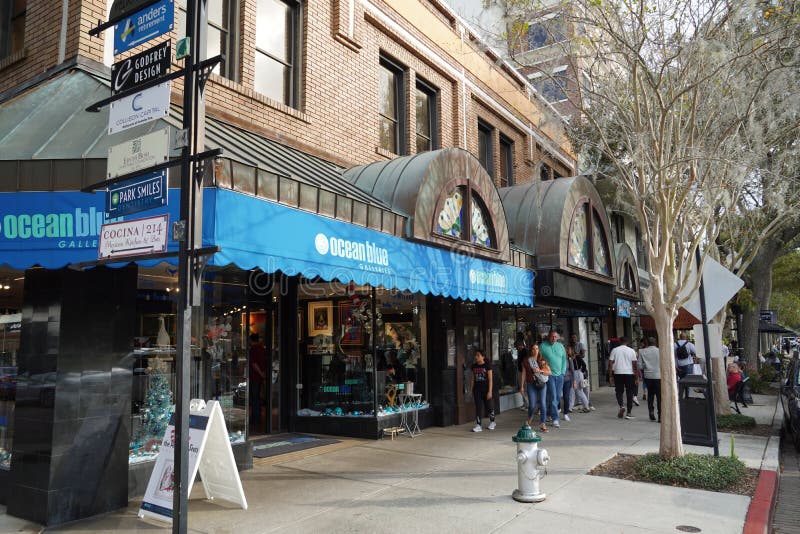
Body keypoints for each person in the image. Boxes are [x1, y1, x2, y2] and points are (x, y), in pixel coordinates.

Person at [519, 342, 552, 432]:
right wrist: (521, 386)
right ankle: (529, 419)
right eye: (533, 349)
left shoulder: (542, 360)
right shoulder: (526, 360)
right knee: (532, 405)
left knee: (542, 403)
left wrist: (540, 370)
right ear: (531, 350)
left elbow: (549, 372)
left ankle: (542, 423)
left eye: (537, 349)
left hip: (542, 384)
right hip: (531, 384)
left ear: (539, 350)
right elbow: (523, 373)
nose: (535, 351)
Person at [540, 329, 568, 427]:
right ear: (549, 336)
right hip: (549, 375)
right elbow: (539, 359)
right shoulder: (543, 346)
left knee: (556, 397)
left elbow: (564, 360)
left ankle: (549, 413)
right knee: (553, 397)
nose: (553, 338)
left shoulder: (561, 346)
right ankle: (555, 419)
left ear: (558, 338)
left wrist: (563, 372)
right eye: (552, 336)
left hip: (559, 375)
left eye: (555, 337)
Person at [608, 336, 639, 419]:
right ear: (627, 342)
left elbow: (610, 363)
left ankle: (621, 406)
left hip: (618, 373)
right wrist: (637, 377)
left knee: (619, 391)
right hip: (629, 373)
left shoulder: (614, 350)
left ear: (619, 342)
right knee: (630, 392)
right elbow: (635, 365)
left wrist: (610, 376)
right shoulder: (632, 351)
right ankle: (629, 412)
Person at [470, 349, 495, 432]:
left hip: (486, 389)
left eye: (478, 355)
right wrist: (471, 390)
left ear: (483, 357)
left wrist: (490, 391)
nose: (476, 357)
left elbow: (490, 379)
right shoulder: (474, 366)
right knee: (478, 407)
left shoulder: (487, 366)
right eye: (475, 355)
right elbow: (472, 379)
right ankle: (478, 425)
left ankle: (492, 422)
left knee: (489, 407)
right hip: (477, 390)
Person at [638, 337, 661, 422]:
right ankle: (660, 415)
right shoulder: (660, 351)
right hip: (658, 376)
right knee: (659, 396)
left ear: (647, 342)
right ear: (656, 342)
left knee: (650, 395)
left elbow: (639, 366)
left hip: (648, 376)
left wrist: (646, 366)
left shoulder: (642, 351)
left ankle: (651, 412)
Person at [249, 333, 267, 428]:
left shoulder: (253, 349)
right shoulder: (262, 349)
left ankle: (255, 418)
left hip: (254, 377)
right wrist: (263, 374)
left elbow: (254, 364)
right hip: (260, 377)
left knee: (254, 398)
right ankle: (258, 418)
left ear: (251, 340)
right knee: (258, 397)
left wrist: (260, 373)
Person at [570, 346, 592, 412]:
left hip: (577, 374)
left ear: (572, 350)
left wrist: (581, 371)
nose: (567, 351)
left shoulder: (576, 357)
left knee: (579, 391)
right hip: (575, 374)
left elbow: (584, 365)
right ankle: (570, 406)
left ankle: (586, 406)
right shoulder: (570, 357)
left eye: (569, 350)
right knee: (572, 391)